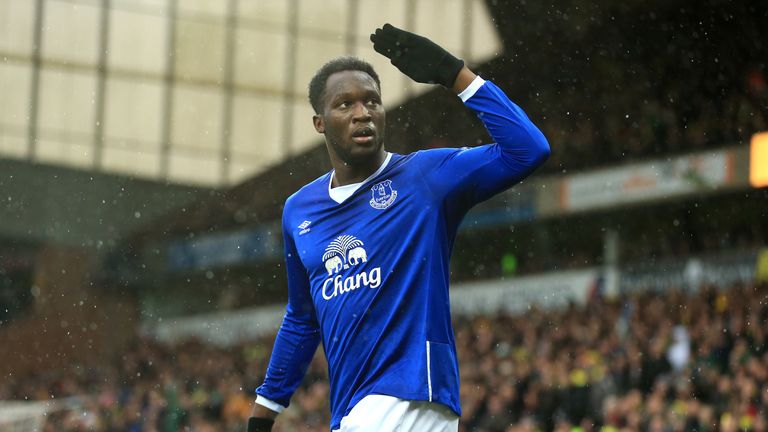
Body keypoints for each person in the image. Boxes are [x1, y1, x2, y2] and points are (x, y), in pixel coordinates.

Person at [248, 23, 550, 432]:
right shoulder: (299, 210)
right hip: (352, 409)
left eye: (372, 101)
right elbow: (303, 319)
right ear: (319, 123)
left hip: (413, 395)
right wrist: (265, 410)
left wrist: (454, 74)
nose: (362, 114)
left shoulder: (424, 177)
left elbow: (527, 149)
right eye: (345, 105)